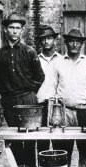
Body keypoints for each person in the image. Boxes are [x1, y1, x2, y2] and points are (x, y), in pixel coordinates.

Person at [0, 12, 45, 167]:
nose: (14, 31)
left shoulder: (29, 52)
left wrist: (30, 92)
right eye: (11, 28)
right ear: (5, 30)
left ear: (22, 31)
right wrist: (7, 93)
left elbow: (40, 76)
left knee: (29, 139)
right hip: (9, 102)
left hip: (28, 100)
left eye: (17, 28)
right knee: (14, 139)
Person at [51, 28, 86, 167]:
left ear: (81, 44)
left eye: (77, 42)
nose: (74, 44)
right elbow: (53, 88)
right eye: (71, 41)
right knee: (61, 150)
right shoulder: (58, 62)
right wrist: (55, 113)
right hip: (63, 112)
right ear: (66, 43)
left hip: (84, 111)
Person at [36, 25, 61, 153]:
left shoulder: (61, 60)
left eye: (49, 38)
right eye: (43, 39)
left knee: (58, 141)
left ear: (54, 40)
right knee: (41, 142)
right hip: (39, 103)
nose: (46, 41)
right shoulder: (35, 59)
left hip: (56, 105)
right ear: (40, 41)